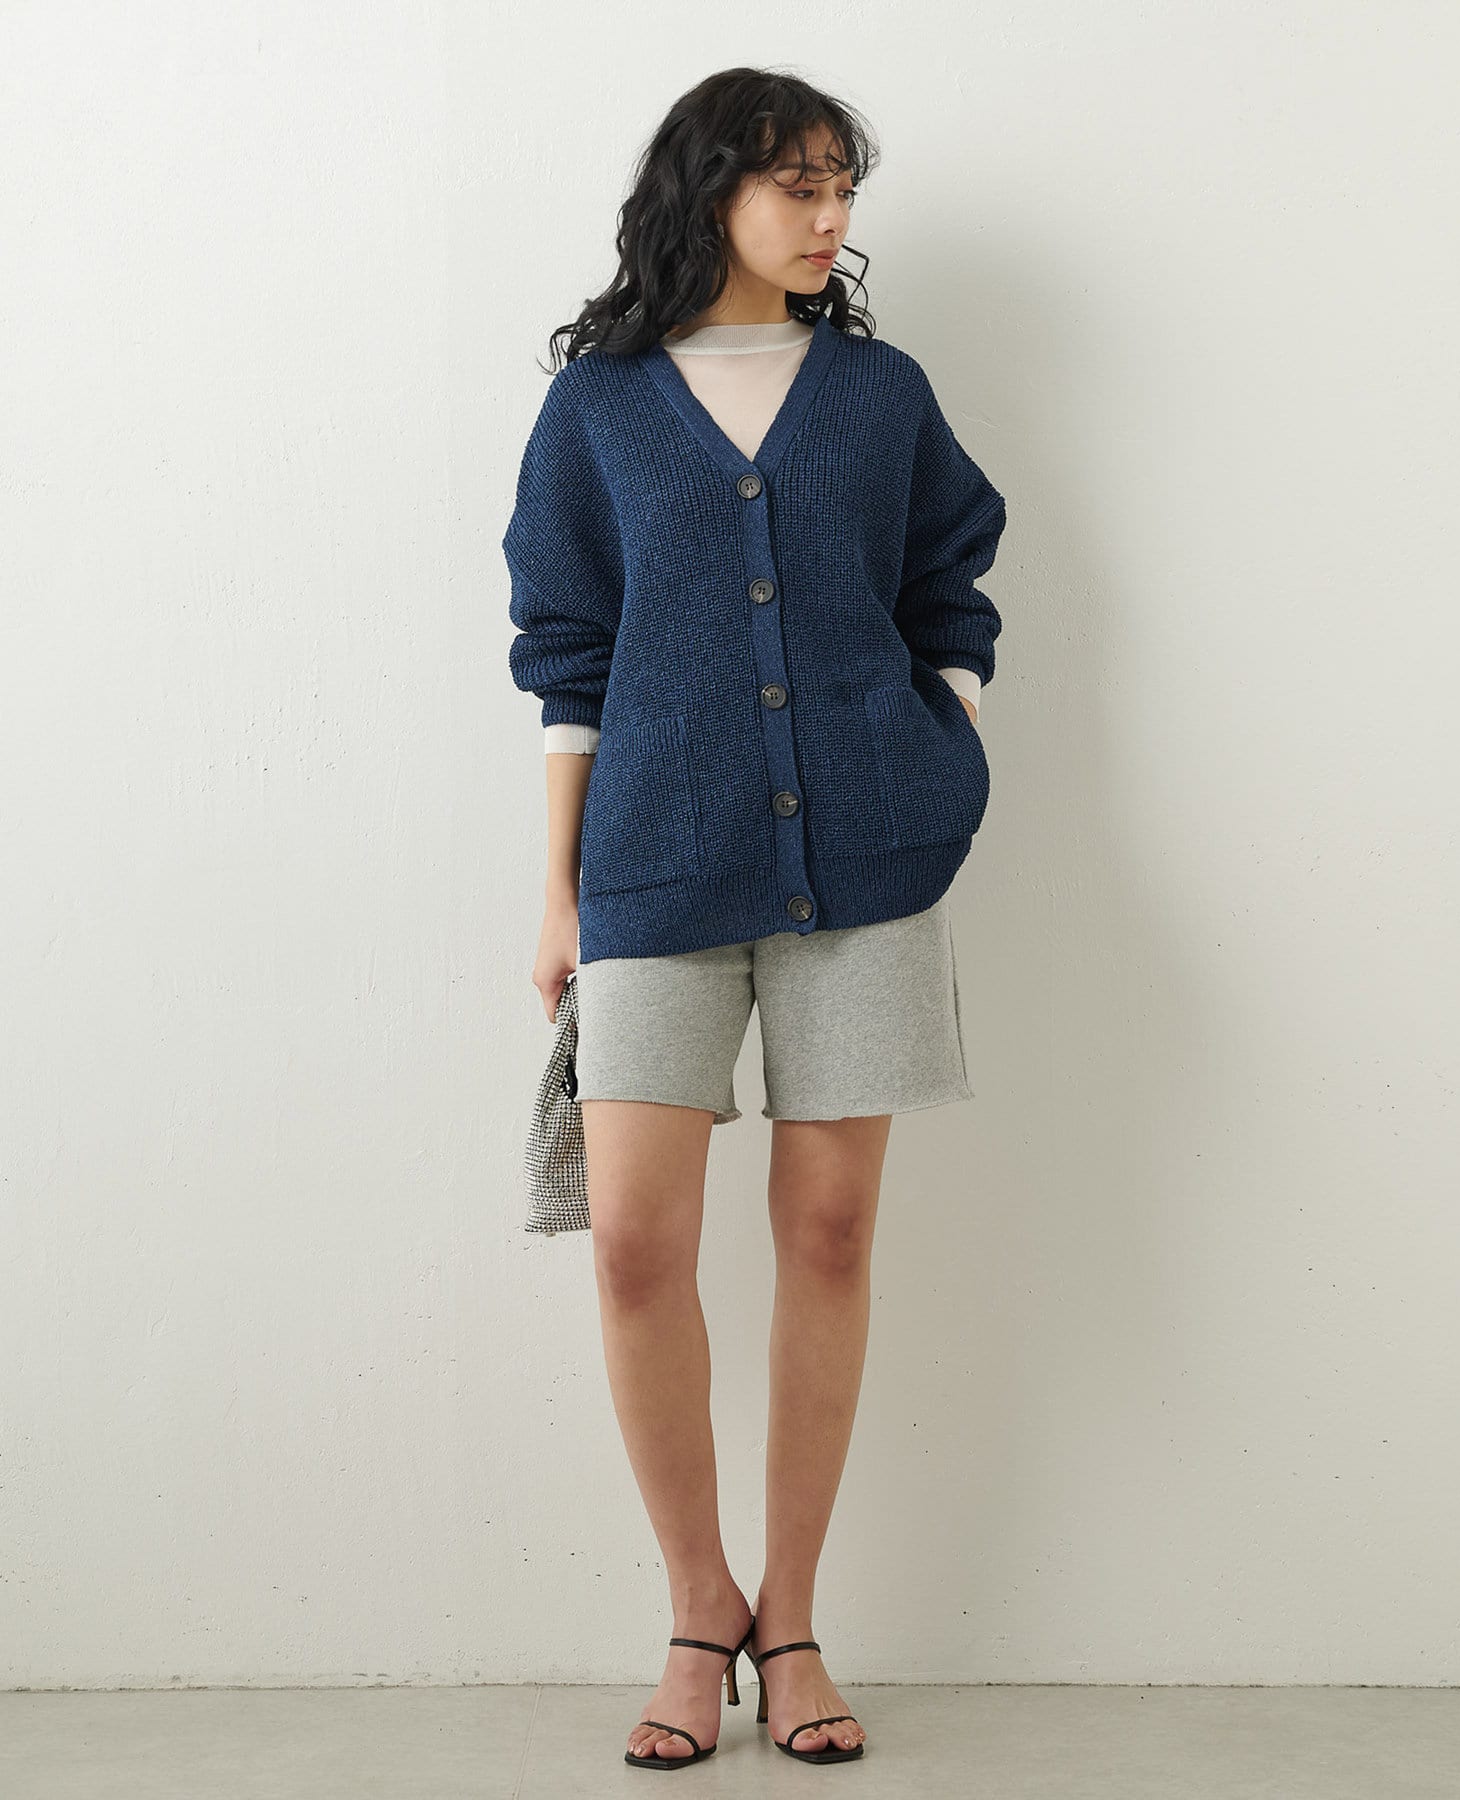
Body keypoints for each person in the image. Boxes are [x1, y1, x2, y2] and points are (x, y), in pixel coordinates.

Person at [502, 67, 1007, 1768]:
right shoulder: (600, 409)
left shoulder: (877, 394)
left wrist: (937, 742)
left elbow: (949, 584)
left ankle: (790, 1618)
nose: (830, 217)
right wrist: (560, 891)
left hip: (869, 866)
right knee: (635, 1241)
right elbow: (569, 657)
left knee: (832, 1232)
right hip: (655, 862)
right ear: (709, 191)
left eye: (843, 188)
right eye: (798, 184)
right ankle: (694, 1601)